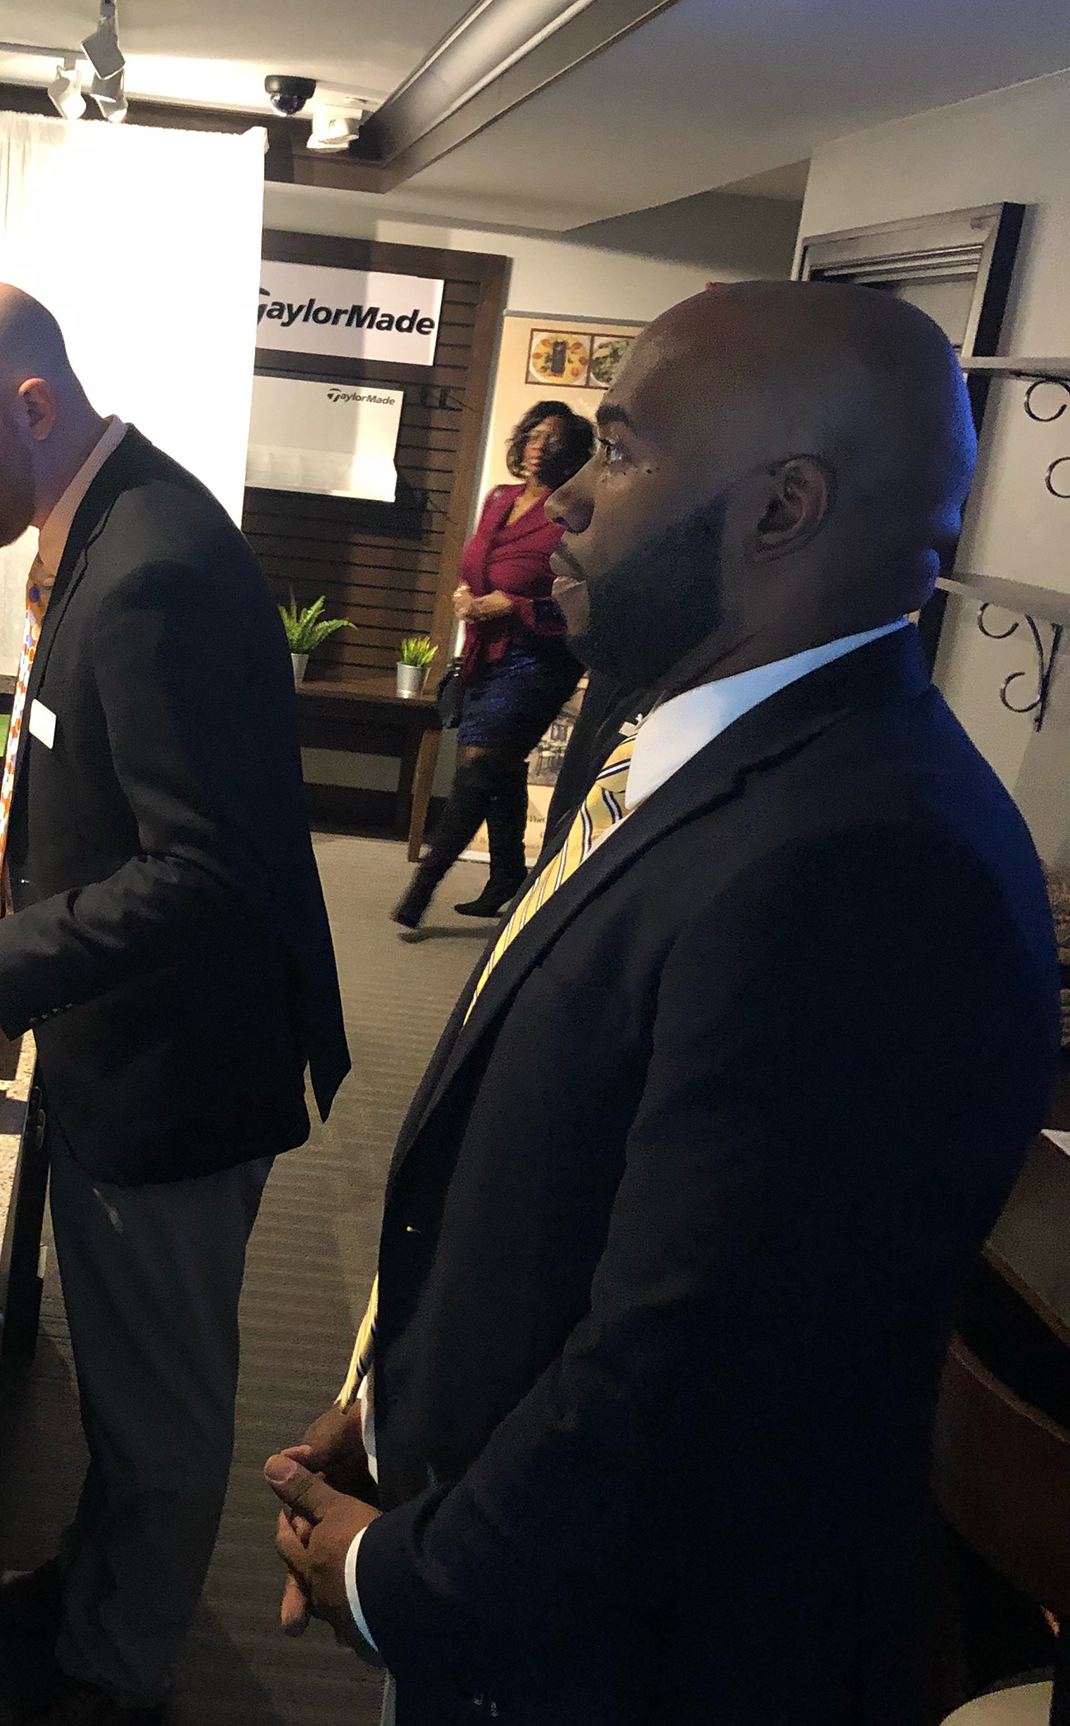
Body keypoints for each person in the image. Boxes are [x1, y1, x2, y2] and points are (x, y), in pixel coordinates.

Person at [262, 280, 1062, 1725]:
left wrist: (403, 1580)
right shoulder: (686, 743)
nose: (565, 495)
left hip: (626, 1658)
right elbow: (566, 1173)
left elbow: (693, 1367)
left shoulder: (871, 864)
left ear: (783, 509)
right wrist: (403, 1407)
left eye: (622, 450)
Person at [0, 283, 350, 1726]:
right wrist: (3, 906)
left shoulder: (153, 564)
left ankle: (118, 1674)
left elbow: (204, 874)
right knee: (118, 1383)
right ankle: (87, 1594)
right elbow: (94, 784)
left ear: (35, 407)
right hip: (124, 1035)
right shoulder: (98, 522)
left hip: (181, 1069)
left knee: (160, 1403)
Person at [393, 401, 594, 927]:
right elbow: (478, 563)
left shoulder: (575, 512)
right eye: (533, 434)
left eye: (552, 439)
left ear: (573, 453)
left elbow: (585, 596)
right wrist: (467, 595)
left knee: (479, 765)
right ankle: (507, 873)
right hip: (485, 650)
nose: (537, 446)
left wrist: (514, 605)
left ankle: (423, 886)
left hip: (541, 657)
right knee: (498, 766)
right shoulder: (499, 498)